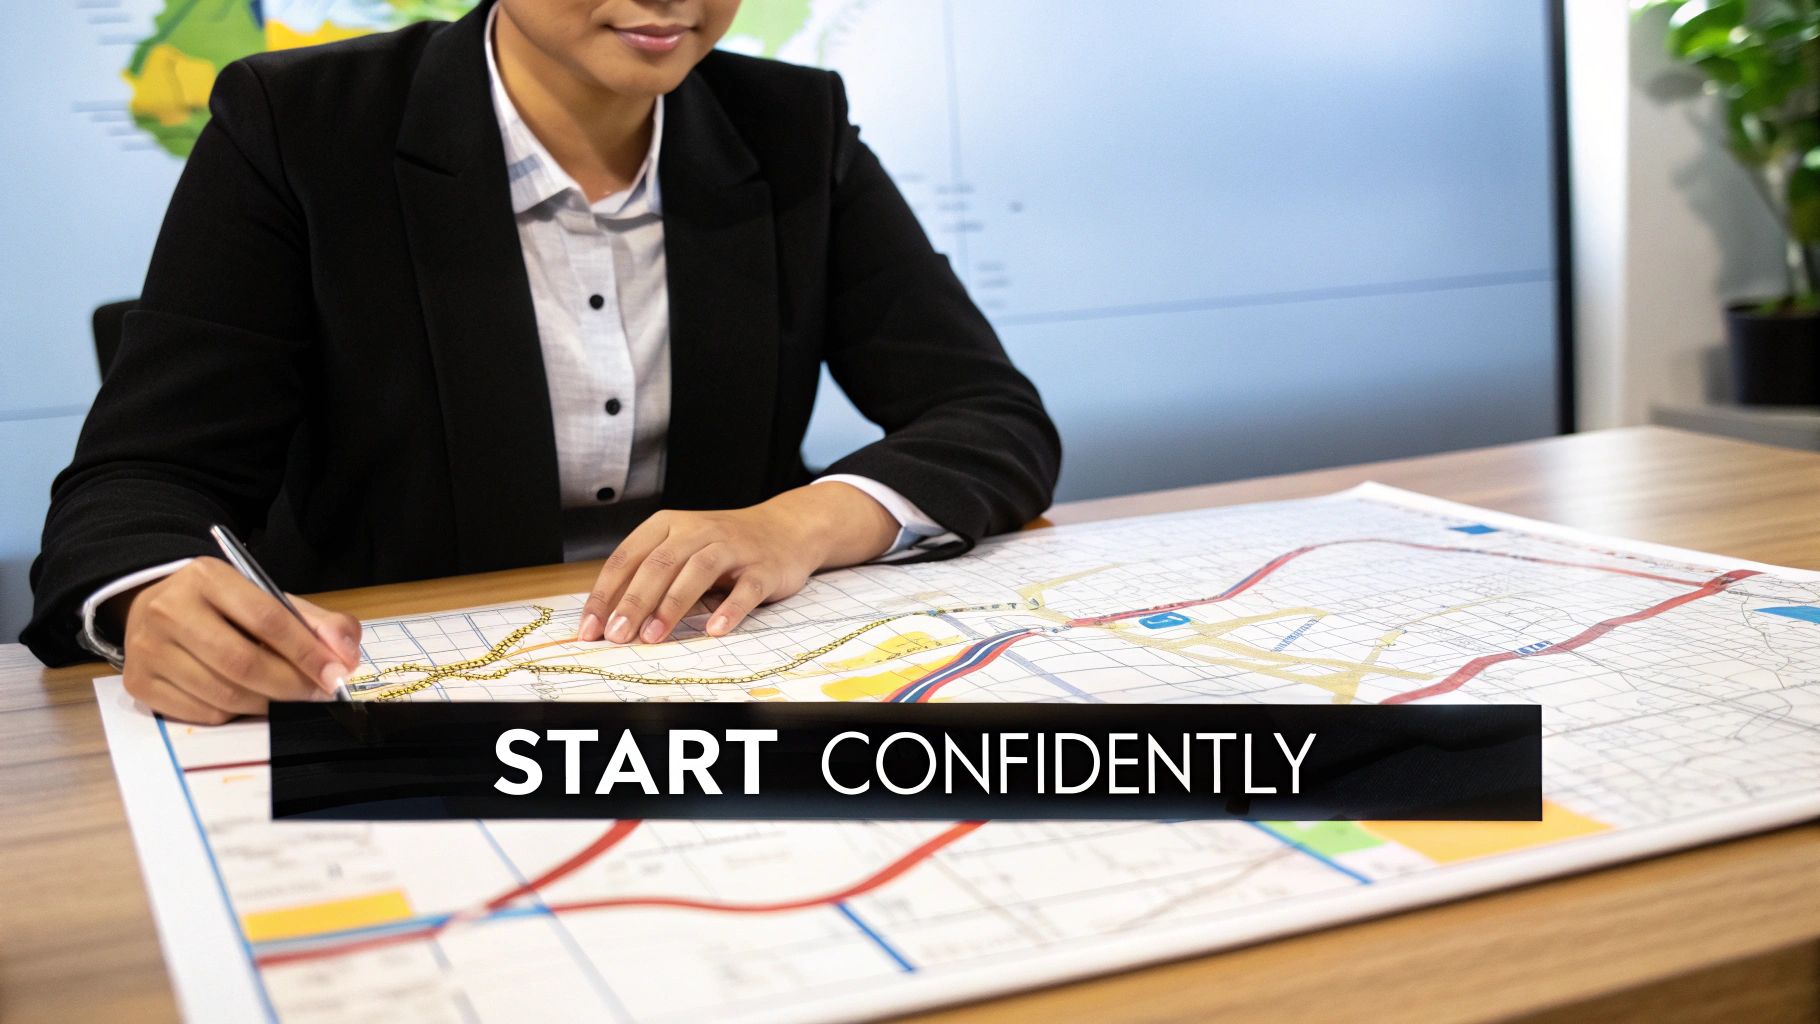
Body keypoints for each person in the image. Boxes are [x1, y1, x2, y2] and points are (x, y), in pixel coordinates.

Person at [22, 0, 1060, 723]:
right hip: (398, 696)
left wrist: (791, 524)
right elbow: (141, 478)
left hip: (708, 681)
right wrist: (153, 597)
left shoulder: (794, 128)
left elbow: (987, 414)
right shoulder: (298, 127)